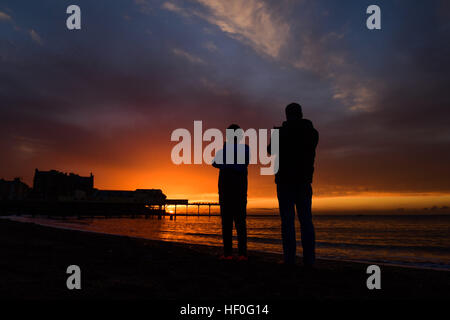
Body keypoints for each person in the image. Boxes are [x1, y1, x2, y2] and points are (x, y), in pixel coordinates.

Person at [268, 103, 319, 267]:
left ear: (287, 115)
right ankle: (309, 260)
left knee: (288, 221)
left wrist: (278, 132)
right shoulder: (311, 133)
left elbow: (270, 150)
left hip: (285, 181)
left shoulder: (281, 133)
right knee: (306, 220)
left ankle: (290, 259)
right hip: (303, 180)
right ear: (301, 114)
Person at [212, 124, 250, 260]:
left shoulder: (229, 150)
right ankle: (239, 254)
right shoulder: (243, 149)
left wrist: (227, 161)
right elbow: (216, 163)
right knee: (238, 221)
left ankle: (232, 253)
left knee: (230, 222)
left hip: (230, 189)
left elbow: (217, 163)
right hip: (236, 189)